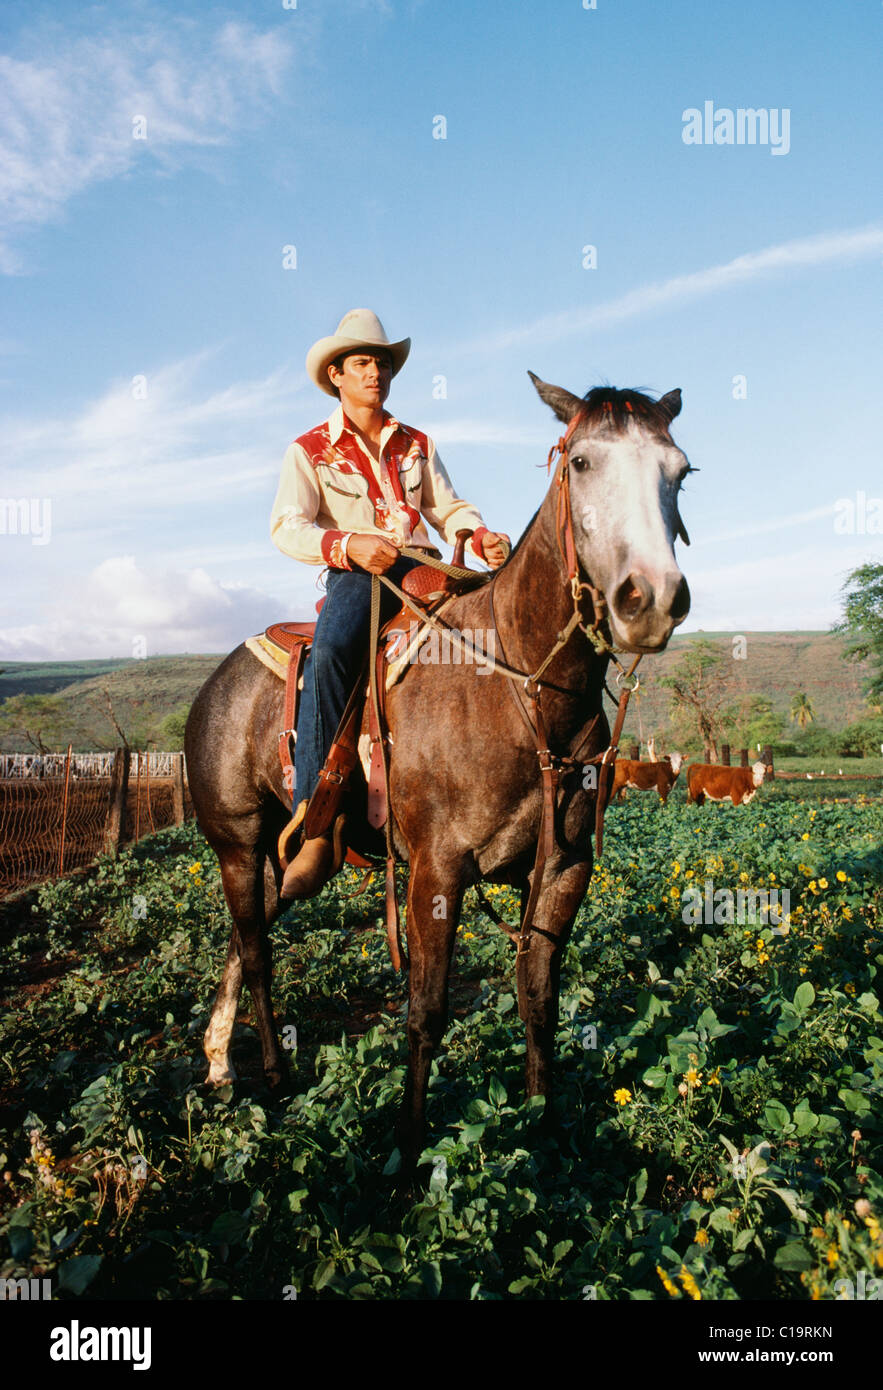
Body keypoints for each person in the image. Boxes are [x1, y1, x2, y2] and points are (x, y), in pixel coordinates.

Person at [270, 308, 511, 898]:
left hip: (423, 567)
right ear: (336, 375)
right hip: (357, 574)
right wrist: (348, 543)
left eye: (381, 362)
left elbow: (447, 508)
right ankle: (317, 823)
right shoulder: (309, 450)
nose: (375, 372)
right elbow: (286, 526)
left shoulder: (417, 443)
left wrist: (480, 537)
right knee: (331, 651)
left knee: (493, 633)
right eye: (361, 363)